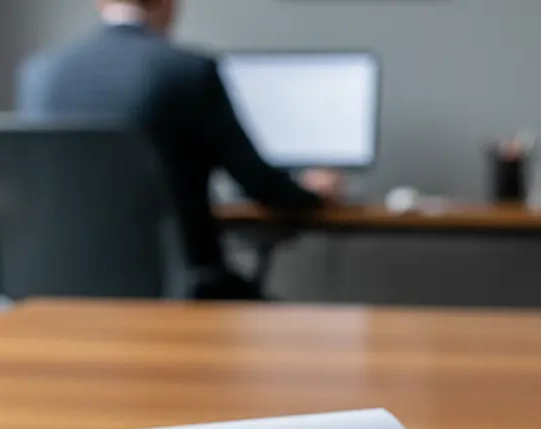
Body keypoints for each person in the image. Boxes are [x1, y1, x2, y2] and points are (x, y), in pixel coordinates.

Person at [17, 0, 345, 300]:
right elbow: (259, 183)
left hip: (61, 297)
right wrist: (311, 192)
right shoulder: (189, 72)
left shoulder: (40, 74)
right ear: (171, 4)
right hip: (176, 290)